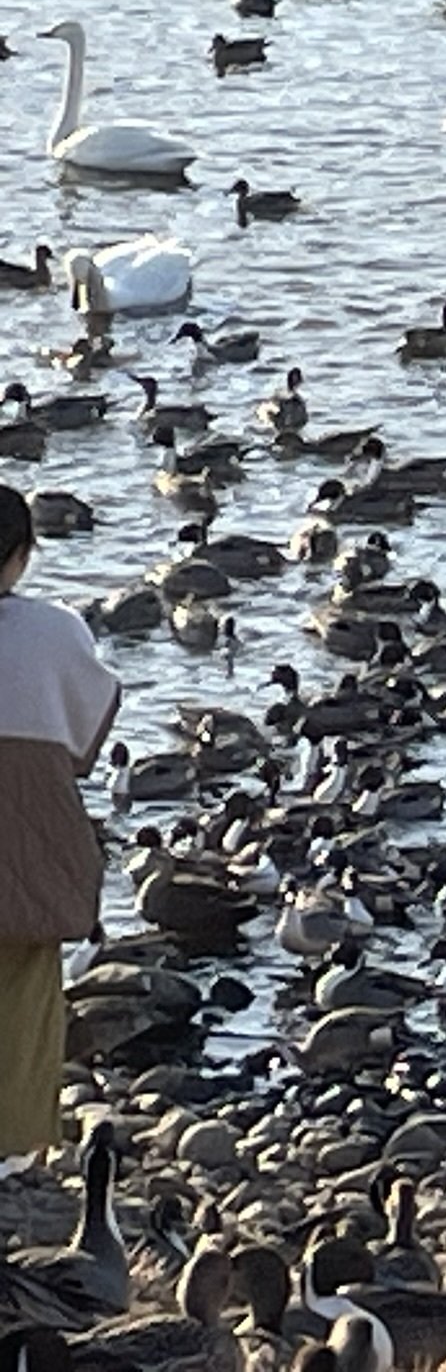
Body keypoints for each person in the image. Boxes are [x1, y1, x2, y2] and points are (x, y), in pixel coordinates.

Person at [0, 486, 120, 1171]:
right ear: (21, 554)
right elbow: (84, 737)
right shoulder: (57, 630)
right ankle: (14, 1141)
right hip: (28, 824)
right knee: (25, 985)